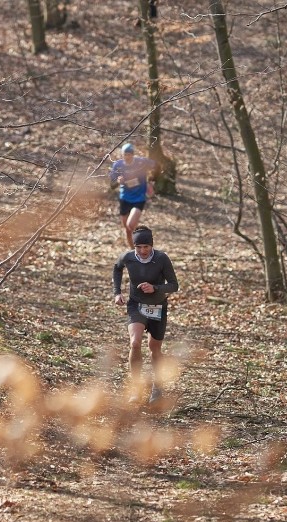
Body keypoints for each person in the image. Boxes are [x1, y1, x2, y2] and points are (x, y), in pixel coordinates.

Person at [112, 225, 178, 404]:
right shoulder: (128, 257)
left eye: (146, 247)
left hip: (158, 307)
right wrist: (117, 292)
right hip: (136, 305)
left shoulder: (161, 258)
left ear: (152, 245)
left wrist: (155, 287)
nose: (142, 251)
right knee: (134, 342)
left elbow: (174, 285)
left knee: (154, 349)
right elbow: (117, 268)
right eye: (138, 247)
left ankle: (157, 387)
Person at [109, 143, 156, 247]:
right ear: (122, 155)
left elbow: (157, 166)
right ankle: (134, 252)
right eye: (125, 154)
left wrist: (151, 181)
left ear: (133, 154)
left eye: (129, 154)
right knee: (127, 229)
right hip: (124, 198)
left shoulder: (141, 162)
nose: (127, 157)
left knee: (130, 225)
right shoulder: (118, 165)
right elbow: (112, 185)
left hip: (139, 198)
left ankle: (142, 242)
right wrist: (118, 182)